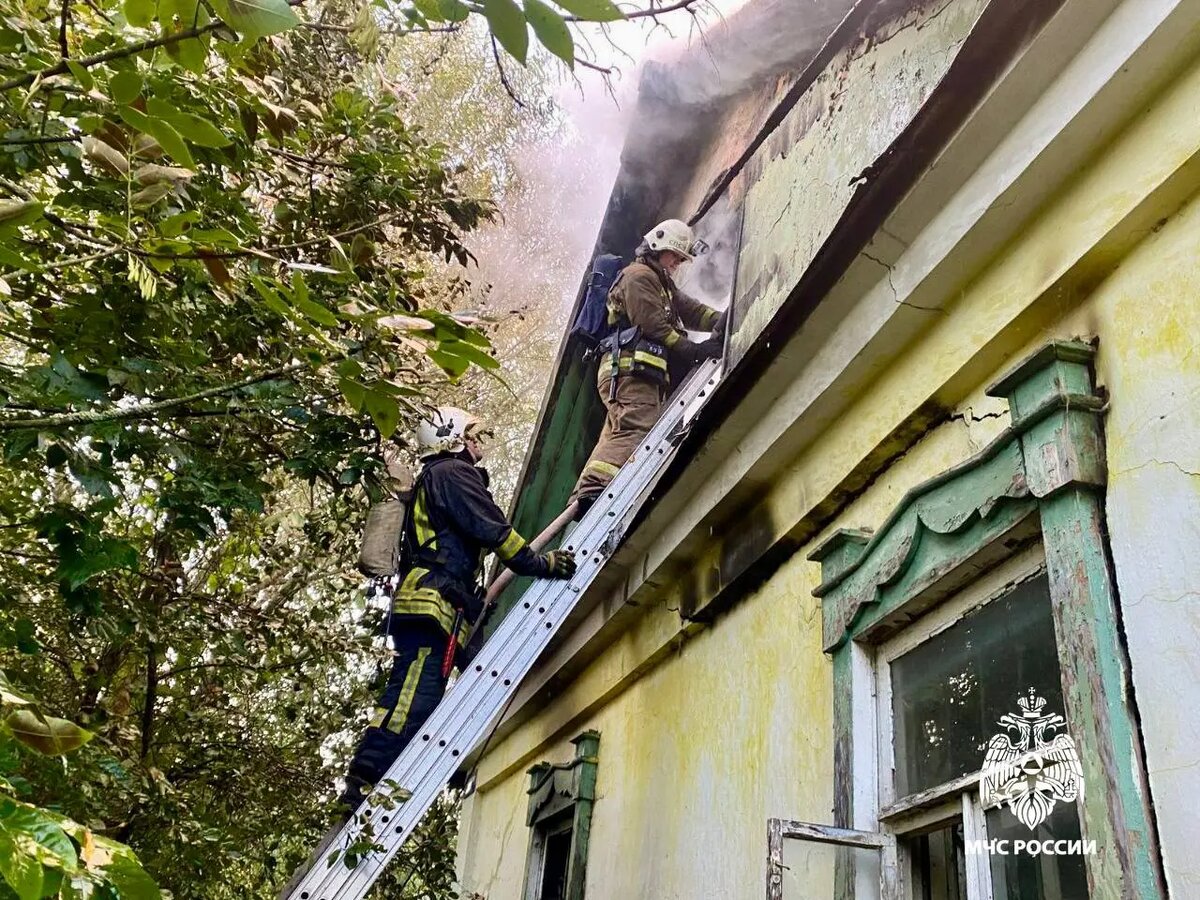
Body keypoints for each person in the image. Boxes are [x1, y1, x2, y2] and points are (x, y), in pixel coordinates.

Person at [340, 407, 576, 813]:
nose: (477, 443)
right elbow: (493, 530)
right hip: (432, 604)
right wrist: (541, 564)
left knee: (454, 682)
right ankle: (365, 778)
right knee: (413, 693)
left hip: (444, 605)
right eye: (471, 434)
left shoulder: (438, 476)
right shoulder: (452, 473)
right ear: (450, 438)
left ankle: (438, 763)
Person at [569, 218, 725, 511]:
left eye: (681, 260)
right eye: (674, 256)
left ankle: (587, 491)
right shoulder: (638, 276)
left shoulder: (660, 283)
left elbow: (691, 311)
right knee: (637, 427)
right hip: (630, 371)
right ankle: (595, 493)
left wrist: (721, 319)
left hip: (633, 373)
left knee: (619, 430)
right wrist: (694, 350)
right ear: (658, 246)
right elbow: (653, 325)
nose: (677, 263)